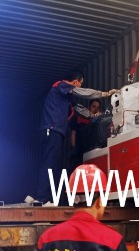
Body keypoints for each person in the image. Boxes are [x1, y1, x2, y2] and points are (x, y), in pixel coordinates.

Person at [37, 71, 116, 202]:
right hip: (52, 129)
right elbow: (82, 92)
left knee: (49, 163)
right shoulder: (60, 85)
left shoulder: (67, 97)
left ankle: (34, 196)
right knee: (50, 163)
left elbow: (80, 109)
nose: (80, 86)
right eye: (80, 83)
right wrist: (104, 94)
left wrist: (95, 116)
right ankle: (41, 199)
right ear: (76, 81)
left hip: (52, 131)